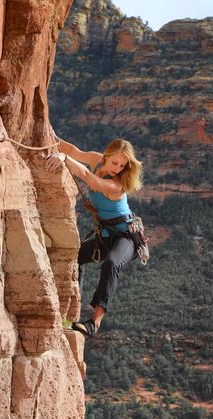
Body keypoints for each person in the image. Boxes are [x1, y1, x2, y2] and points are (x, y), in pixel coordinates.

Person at [44, 137, 143, 337]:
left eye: (122, 165)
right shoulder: (96, 159)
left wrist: (64, 158)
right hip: (106, 235)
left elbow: (87, 176)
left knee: (112, 263)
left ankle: (94, 322)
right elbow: (74, 150)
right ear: (106, 156)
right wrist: (50, 134)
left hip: (126, 237)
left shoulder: (116, 185)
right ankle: (71, 311)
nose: (117, 168)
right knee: (76, 256)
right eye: (115, 162)